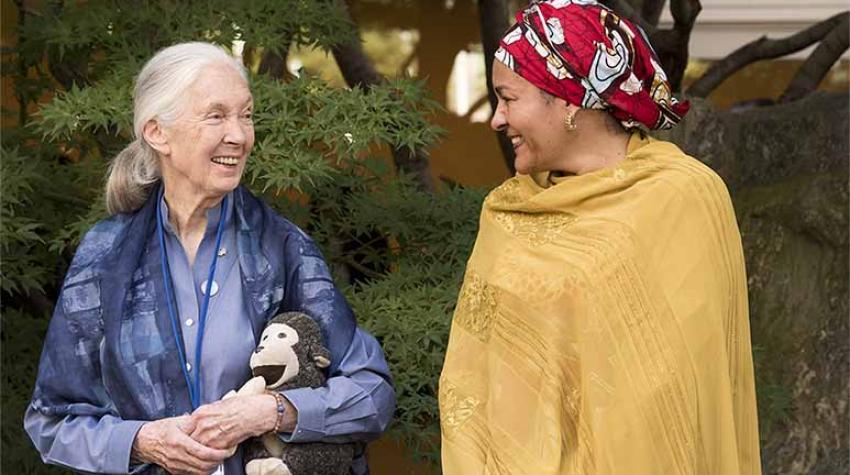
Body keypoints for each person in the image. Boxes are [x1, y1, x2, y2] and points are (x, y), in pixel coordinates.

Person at [25, 42, 395, 475]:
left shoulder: (282, 248)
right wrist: (142, 442)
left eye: (247, 115)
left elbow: (372, 393)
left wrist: (272, 411)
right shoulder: (106, 256)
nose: (239, 135)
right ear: (157, 132)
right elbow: (51, 421)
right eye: (216, 115)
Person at [438, 1, 761, 474]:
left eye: (509, 98)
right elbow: (470, 381)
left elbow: (687, 383)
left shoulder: (683, 198)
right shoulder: (508, 211)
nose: (497, 119)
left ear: (568, 99)